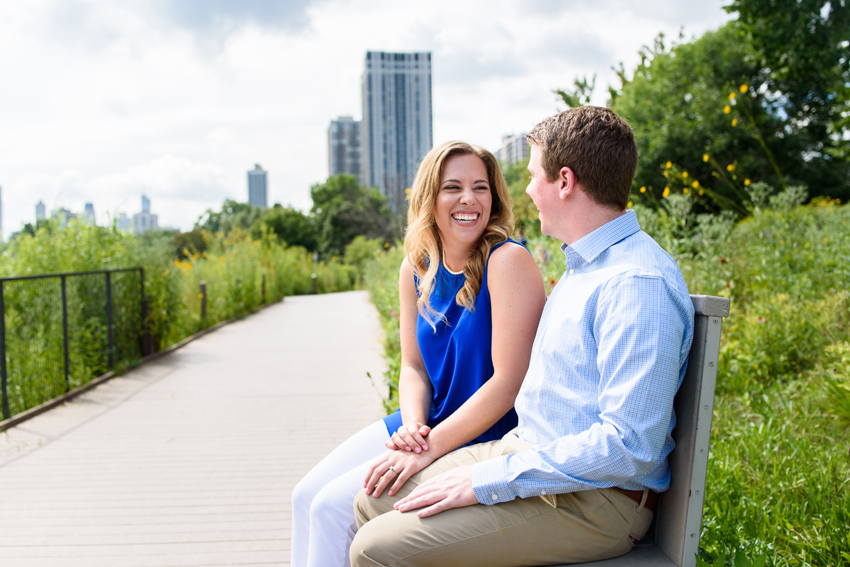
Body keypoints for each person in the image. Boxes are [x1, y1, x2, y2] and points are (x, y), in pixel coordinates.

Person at [350, 106, 696, 567]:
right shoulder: (587, 267)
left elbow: (629, 448)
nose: (528, 190)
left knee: (375, 550)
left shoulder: (635, 284)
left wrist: (486, 481)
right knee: (371, 501)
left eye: (534, 176)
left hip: (595, 502)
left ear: (565, 182)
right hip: (533, 455)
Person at [290, 141, 546, 567]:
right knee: (305, 497)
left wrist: (427, 447)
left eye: (480, 187)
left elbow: (508, 386)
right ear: (430, 197)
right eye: (453, 187)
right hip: (429, 422)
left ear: (494, 198)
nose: (469, 199)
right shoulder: (417, 267)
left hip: (484, 433)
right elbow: (413, 368)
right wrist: (412, 428)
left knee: (331, 510)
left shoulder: (509, 260)